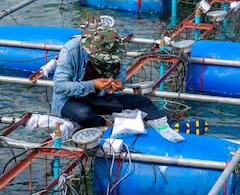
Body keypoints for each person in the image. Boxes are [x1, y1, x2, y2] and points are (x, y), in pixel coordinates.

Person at [52, 26, 183, 142]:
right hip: (69, 101)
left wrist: (120, 80)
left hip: (96, 97)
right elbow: (59, 86)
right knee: (84, 113)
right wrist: (93, 84)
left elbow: (121, 67)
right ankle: (106, 126)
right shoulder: (71, 50)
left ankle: (169, 129)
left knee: (142, 102)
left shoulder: (113, 52)